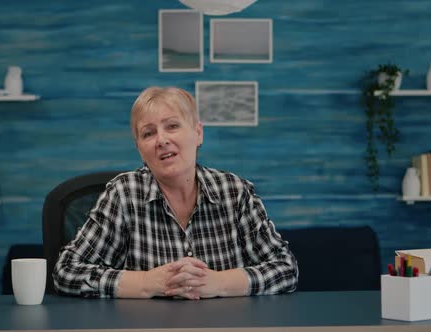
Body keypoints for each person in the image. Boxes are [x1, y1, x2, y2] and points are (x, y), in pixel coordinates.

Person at [53, 86, 298, 299]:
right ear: (140, 149)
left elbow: (286, 268)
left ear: (198, 133)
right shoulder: (123, 194)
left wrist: (217, 283)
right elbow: (66, 271)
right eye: (148, 133)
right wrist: (147, 284)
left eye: (172, 126)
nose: (161, 140)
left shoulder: (235, 192)